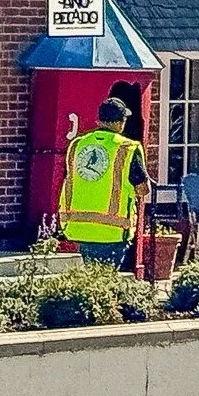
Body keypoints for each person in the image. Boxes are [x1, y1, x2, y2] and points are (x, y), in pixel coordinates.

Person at [59, 98, 147, 269]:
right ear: (120, 123)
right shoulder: (127, 148)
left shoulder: (77, 144)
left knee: (91, 280)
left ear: (98, 120)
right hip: (112, 231)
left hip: (79, 227)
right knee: (105, 283)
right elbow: (142, 189)